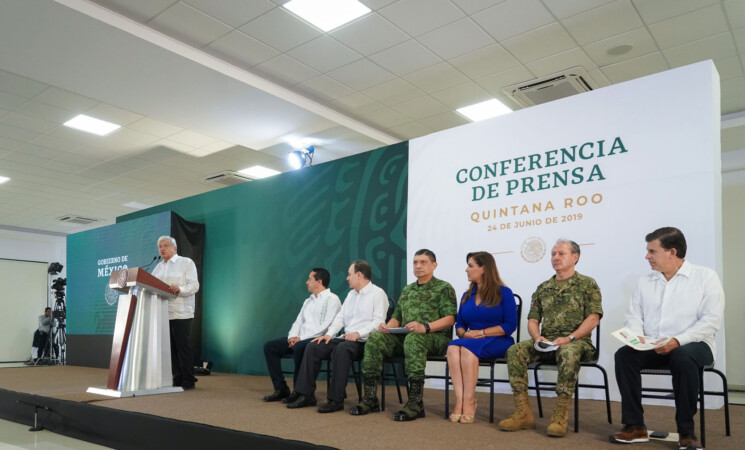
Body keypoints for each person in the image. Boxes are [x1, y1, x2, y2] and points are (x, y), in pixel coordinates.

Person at [610, 227, 724, 449]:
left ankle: (686, 431)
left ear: (672, 252)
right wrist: (638, 339)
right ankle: (635, 426)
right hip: (654, 345)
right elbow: (633, 316)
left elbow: (711, 321)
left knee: (682, 357)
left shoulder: (705, 277)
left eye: (652, 251)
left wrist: (677, 340)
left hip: (694, 345)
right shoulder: (645, 282)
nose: (647, 256)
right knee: (624, 355)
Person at [499, 239, 603, 437]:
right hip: (547, 343)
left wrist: (570, 337)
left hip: (578, 343)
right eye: (553, 254)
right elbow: (532, 320)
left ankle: (559, 415)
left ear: (575, 257)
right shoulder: (543, 287)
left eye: (561, 254)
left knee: (568, 351)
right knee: (515, 351)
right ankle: (523, 413)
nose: (555, 257)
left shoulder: (587, 284)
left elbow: (593, 318)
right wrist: (538, 338)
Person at [351, 249, 457, 421]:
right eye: (415, 262)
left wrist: (426, 327)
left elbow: (450, 319)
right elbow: (397, 318)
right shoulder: (408, 290)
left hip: (435, 338)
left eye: (423, 262)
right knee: (375, 339)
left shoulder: (444, 288)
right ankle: (370, 398)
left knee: (414, 339)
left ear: (434, 265)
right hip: (407, 337)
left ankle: (415, 403)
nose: (418, 266)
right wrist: (387, 328)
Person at [286, 260, 387, 412]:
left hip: (366, 341)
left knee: (342, 349)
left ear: (359, 275)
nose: (347, 278)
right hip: (345, 338)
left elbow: (378, 322)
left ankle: (335, 400)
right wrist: (328, 335)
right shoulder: (351, 295)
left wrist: (358, 333)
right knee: (313, 346)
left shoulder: (378, 294)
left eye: (349, 274)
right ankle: (306, 394)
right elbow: (340, 317)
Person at [447, 252, 517, 424]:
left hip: (498, 340)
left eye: (470, 265)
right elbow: (460, 323)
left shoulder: (504, 293)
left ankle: (469, 400)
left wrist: (482, 333)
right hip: (471, 340)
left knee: (467, 349)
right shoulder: (466, 296)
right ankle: (460, 400)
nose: (466, 269)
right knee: (453, 347)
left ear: (484, 268)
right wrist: (464, 333)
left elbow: (510, 325)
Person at [261, 268, 341, 402]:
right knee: (270, 347)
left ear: (319, 281)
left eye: (310, 279)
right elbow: (298, 322)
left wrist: (300, 339)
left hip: (318, 339)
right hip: (300, 338)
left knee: (299, 347)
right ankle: (281, 388)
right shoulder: (308, 301)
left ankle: (299, 391)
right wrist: (292, 337)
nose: (306, 282)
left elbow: (325, 327)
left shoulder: (332, 299)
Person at [151, 236, 200, 390]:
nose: (162, 249)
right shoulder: (158, 267)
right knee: (170, 349)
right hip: (163, 313)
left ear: (175, 248)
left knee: (182, 348)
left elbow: (194, 286)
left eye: (165, 246)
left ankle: (188, 380)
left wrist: (180, 289)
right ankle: (177, 378)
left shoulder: (186, 263)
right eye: (160, 246)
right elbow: (150, 284)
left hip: (181, 312)